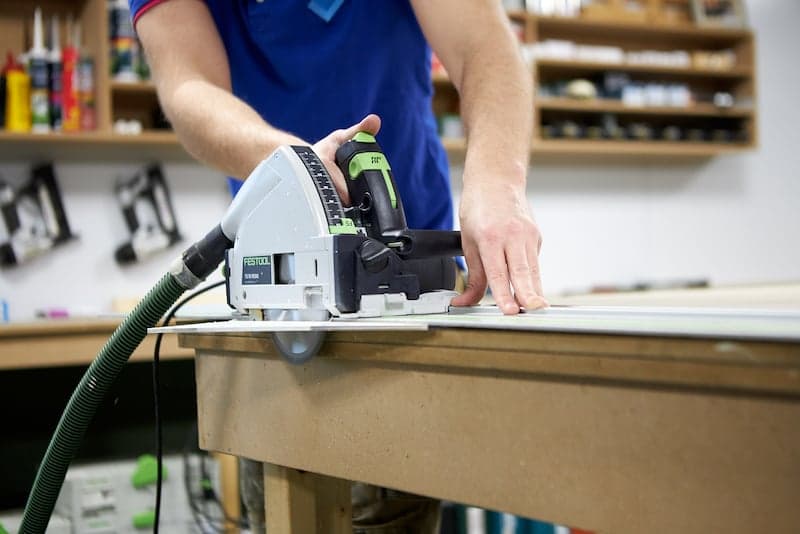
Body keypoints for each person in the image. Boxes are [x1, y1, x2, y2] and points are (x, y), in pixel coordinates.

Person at [131, 0, 547, 531]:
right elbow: (189, 87)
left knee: (389, 513)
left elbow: (485, 46)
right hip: (283, 292)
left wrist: (496, 182)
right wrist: (297, 166)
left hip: (415, 290)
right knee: (287, 507)